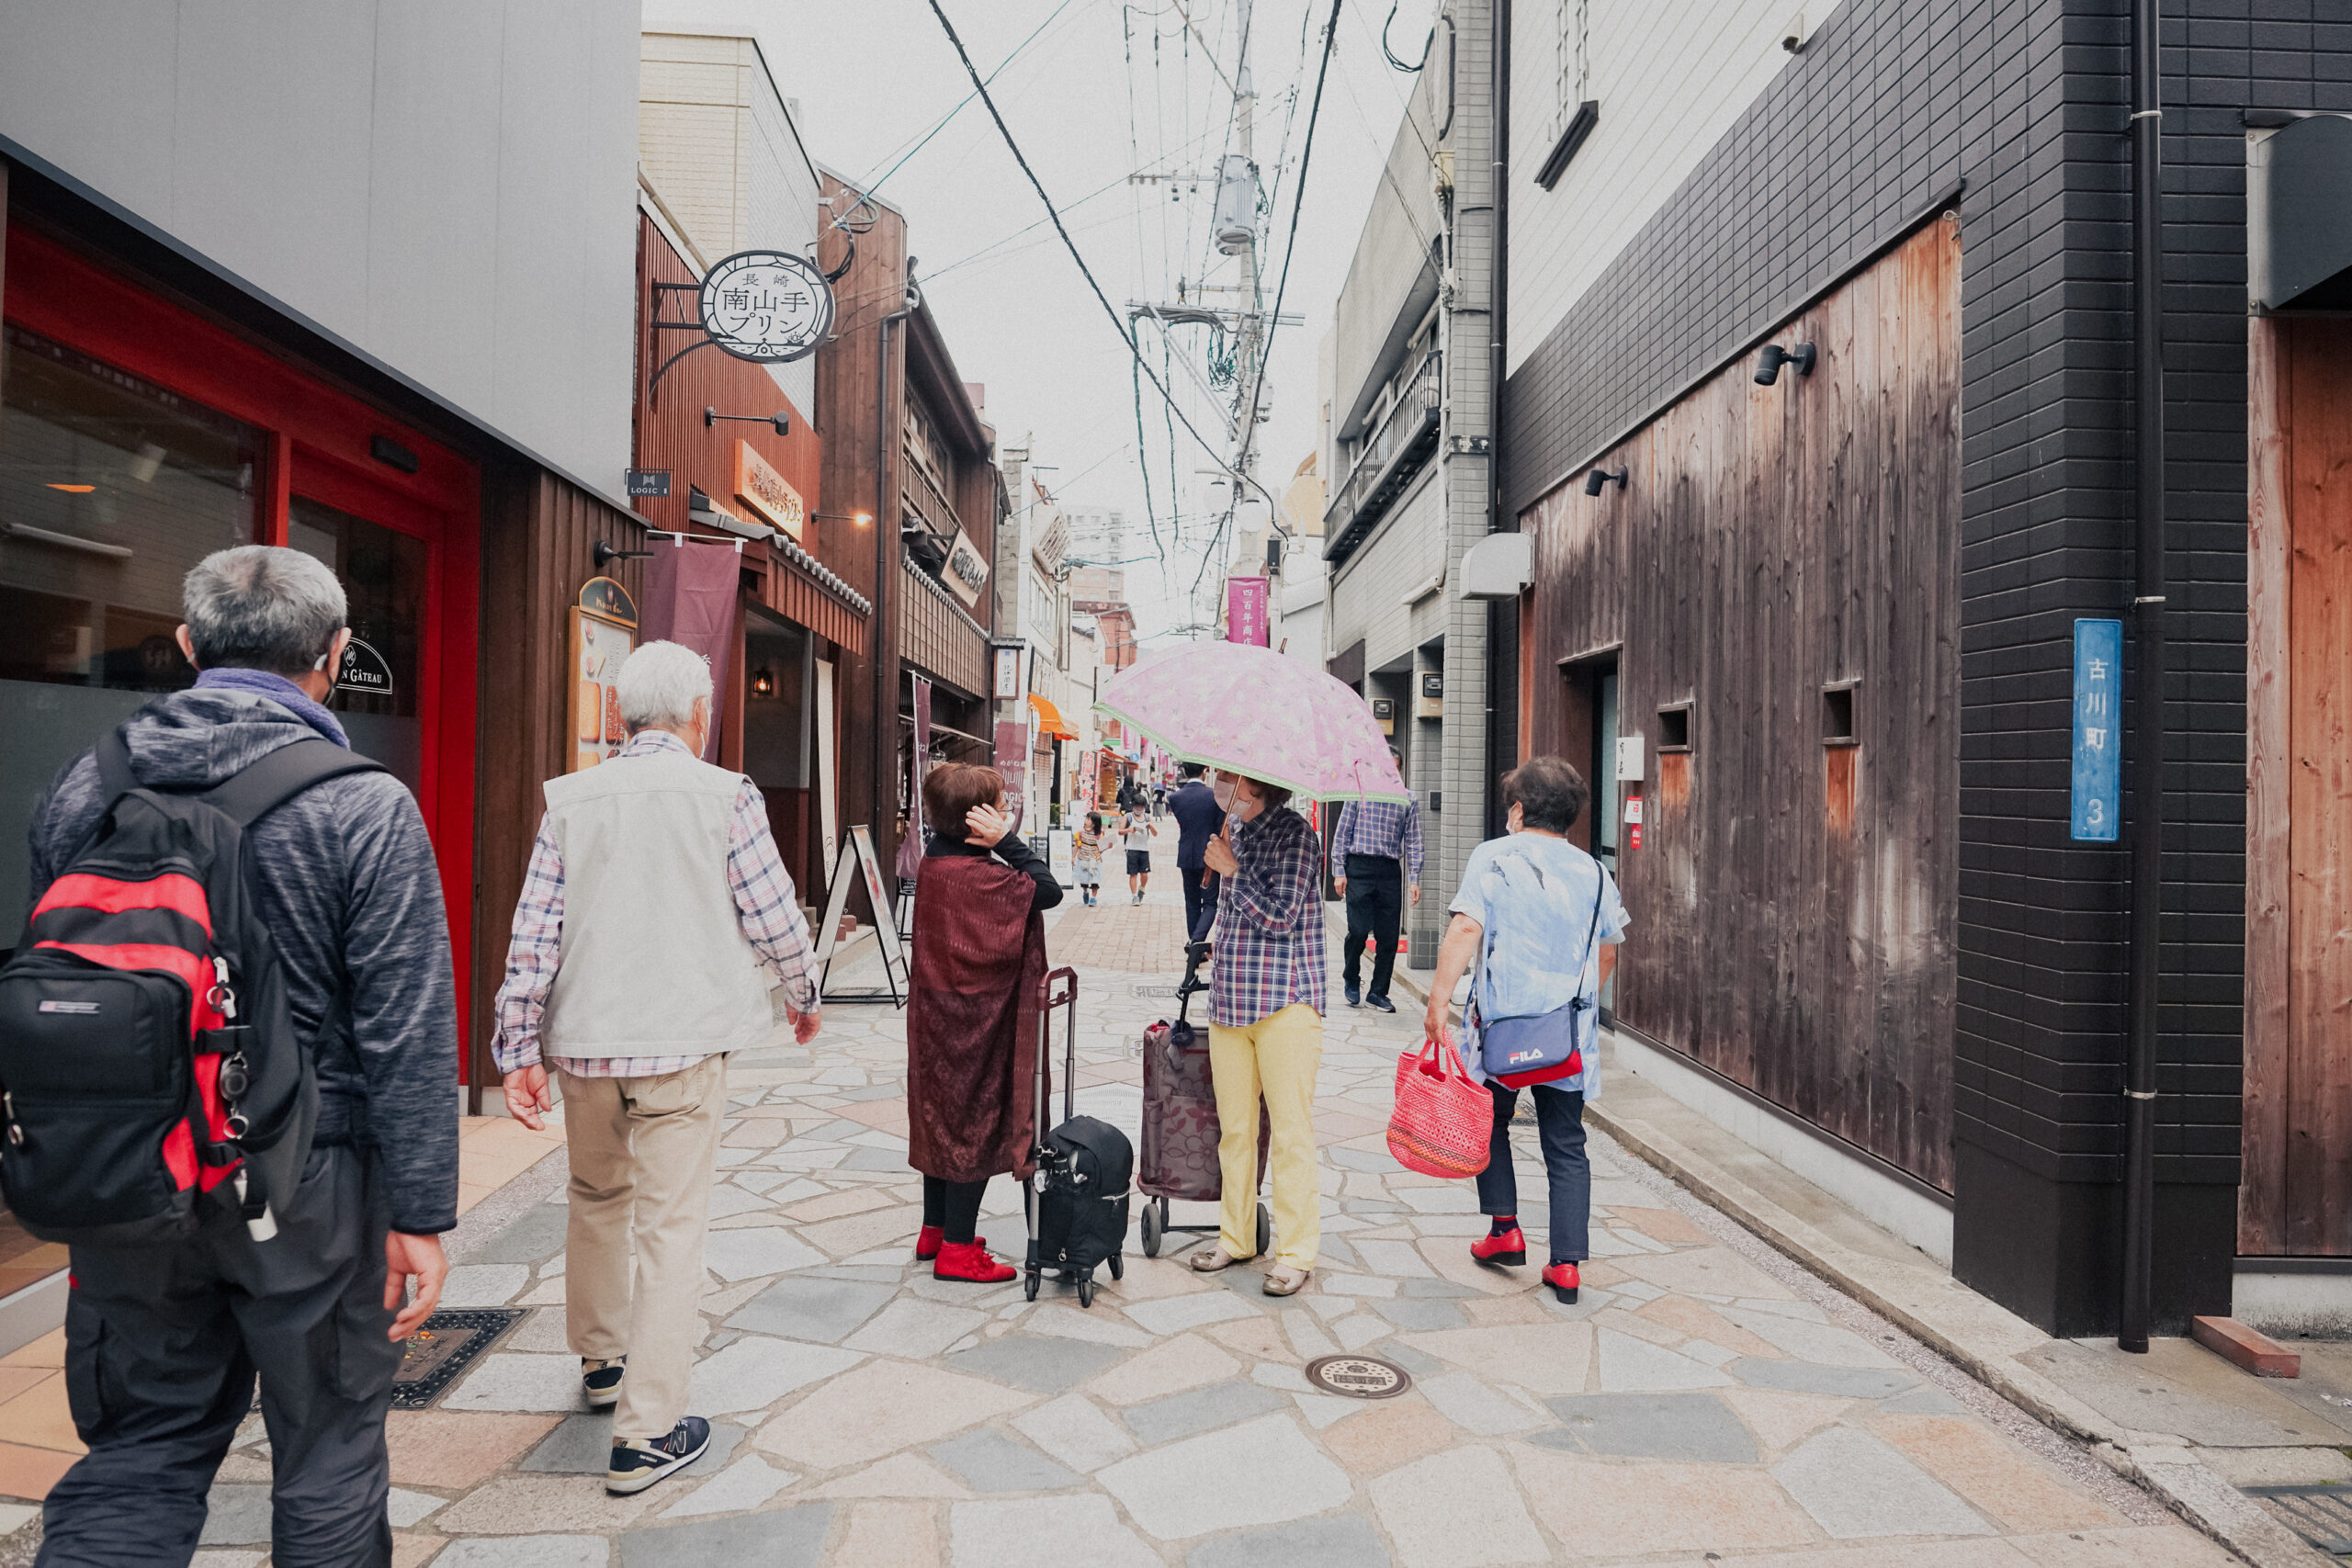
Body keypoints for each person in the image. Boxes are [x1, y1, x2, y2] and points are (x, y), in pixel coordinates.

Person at [25, 545, 456, 1566]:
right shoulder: (362, 802)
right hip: (310, 1179)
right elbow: (405, 1023)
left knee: (142, 1444)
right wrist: (424, 1214)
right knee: (329, 1448)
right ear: (338, 655)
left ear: (185, 645)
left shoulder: (84, 788)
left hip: (133, 1167)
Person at [493, 640, 822, 1497]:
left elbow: (534, 934)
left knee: (597, 1199)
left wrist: (516, 1047)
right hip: (680, 1044)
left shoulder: (571, 798)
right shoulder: (726, 795)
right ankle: (646, 1433)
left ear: (619, 714)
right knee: (669, 1228)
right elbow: (772, 910)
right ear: (700, 715)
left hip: (586, 1047)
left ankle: (603, 1361)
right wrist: (804, 988)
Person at [1423, 756, 1628, 1305]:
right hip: (1567, 1036)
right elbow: (1608, 949)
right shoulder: (1594, 871)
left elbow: (1467, 927)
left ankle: (1504, 1230)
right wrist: (1580, 1008)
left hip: (1504, 1032)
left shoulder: (1492, 857)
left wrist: (1439, 1001)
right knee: (1566, 1142)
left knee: (1490, 1123)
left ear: (1517, 809)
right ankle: (1565, 1265)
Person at [905, 762, 1064, 1283]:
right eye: (997, 806)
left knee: (939, 1113)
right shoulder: (986, 878)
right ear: (978, 819)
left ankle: (935, 1228)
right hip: (978, 1019)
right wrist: (1009, 840)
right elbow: (1048, 889)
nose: (1004, 811)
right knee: (970, 1122)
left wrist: (992, 839)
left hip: (935, 1015)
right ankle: (955, 1250)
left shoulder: (935, 863)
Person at [1192, 773, 1327, 1295]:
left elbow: (1281, 916)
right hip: (1230, 998)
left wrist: (1234, 871)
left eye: (1227, 776)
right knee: (1235, 1130)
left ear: (1256, 785)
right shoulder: (1235, 830)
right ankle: (1237, 1236)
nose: (1218, 783)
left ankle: (1296, 1252)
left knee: (1291, 1134)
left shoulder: (1296, 834)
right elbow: (1233, 916)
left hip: (1285, 1000)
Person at [1330, 747, 1425, 1014]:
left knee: (1388, 937)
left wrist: (1414, 878)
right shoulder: (1358, 794)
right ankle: (1351, 976)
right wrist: (1339, 870)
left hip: (1389, 871)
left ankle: (1378, 992)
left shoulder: (1409, 799)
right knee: (1358, 930)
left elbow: (1415, 841)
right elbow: (1342, 833)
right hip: (1358, 866)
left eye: (1395, 769)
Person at [1167, 762, 1226, 941]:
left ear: (1184, 771)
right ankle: (1196, 943)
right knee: (1209, 903)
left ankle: (1194, 945)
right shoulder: (1214, 796)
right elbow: (1220, 827)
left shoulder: (1175, 797)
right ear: (1206, 770)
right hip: (1210, 855)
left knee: (1191, 902)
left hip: (1186, 854)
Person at [1123, 805, 1159, 904]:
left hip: (1144, 849)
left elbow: (1155, 834)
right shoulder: (1128, 816)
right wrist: (1130, 830)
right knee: (1133, 874)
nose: (1139, 810)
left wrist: (1151, 826)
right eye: (1137, 808)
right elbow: (1120, 831)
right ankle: (1134, 896)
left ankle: (1142, 888)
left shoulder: (1147, 817)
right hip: (1131, 848)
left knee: (1144, 874)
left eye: (1141, 808)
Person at [1073, 811, 1106, 906]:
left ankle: (1093, 898)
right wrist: (1073, 858)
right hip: (1082, 859)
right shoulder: (1080, 833)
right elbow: (1076, 846)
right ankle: (1085, 891)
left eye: (1088, 819)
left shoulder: (1099, 834)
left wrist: (1108, 847)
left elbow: (1101, 848)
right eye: (1086, 818)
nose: (1085, 820)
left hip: (1094, 861)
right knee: (1084, 880)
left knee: (1095, 880)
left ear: (1094, 823)